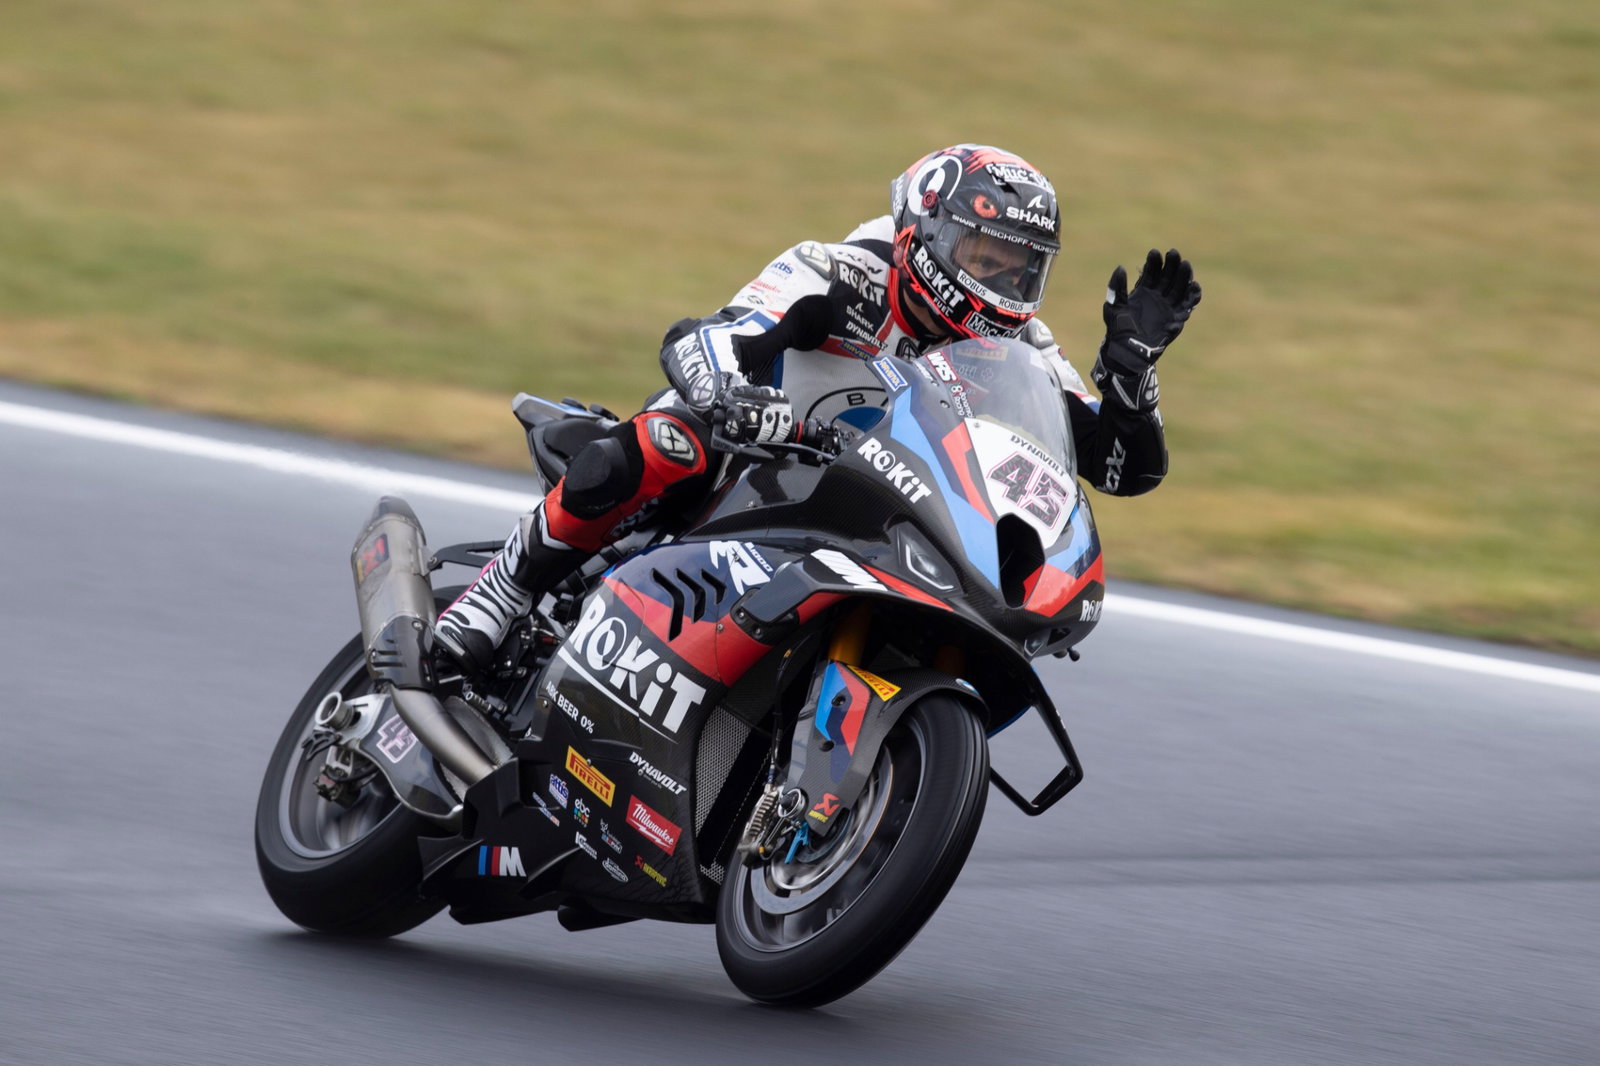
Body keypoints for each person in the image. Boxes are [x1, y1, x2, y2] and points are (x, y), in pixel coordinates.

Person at [434, 143, 1202, 673]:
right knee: (672, 441)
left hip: (868, 509)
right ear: (929, 230)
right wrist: (732, 397)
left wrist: (1129, 378)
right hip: (750, 460)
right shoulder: (841, 270)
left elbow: (1115, 470)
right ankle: (501, 593)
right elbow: (707, 337)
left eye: (1021, 270)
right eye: (985, 257)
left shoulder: (1019, 345)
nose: (1002, 285)